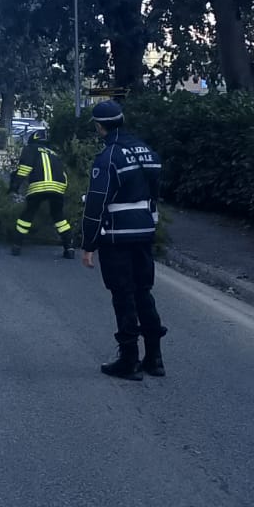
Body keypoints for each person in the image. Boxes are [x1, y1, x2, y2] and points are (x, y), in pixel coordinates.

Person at [80, 100, 166, 379]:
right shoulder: (147, 151)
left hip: (116, 236)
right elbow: (155, 193)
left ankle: (129, 360)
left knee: (123, 294)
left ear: (99, 126)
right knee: (143, 291)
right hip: (144, 233)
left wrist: (88, 244)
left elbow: (96, 204)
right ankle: (154, 358)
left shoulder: (108, 157)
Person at [8, 129, 75, 258]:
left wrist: (15, 186)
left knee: (27, 215)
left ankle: (17, 245)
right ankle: (69, 247)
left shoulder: (30, 149)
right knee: (59, 217)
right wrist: (61, 191)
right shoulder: (54, 154)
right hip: (58, 187)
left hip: (38, 186)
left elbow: (25, 168)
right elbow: (64, 175)